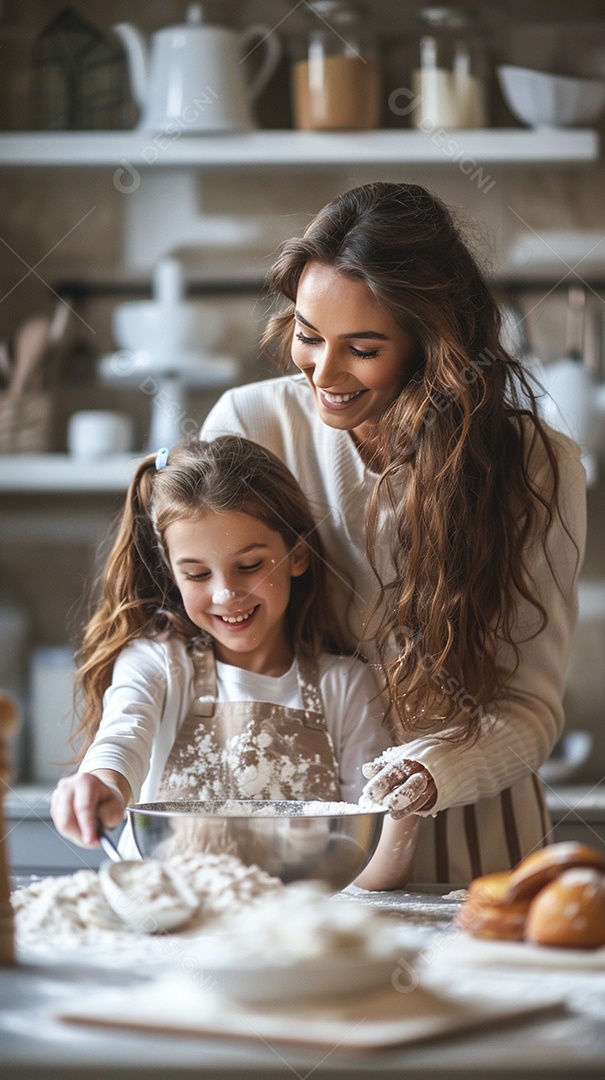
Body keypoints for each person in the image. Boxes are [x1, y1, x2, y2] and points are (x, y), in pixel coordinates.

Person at [201, 181, 587, 886]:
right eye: (307, 336)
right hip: (297, 835)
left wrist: (422, 774)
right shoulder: (250, 428)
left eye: (363, 348)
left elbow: (529, 709)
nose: (324, 371)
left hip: (479, 850)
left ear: (431, 343)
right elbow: (206, 645)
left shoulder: (535, 464)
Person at [50, 435, 390, 857]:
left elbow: (373, 857)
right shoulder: (159, 665)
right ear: (171, 572)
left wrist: (404, 808)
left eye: (249, 566)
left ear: (298, 555)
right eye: (196, 574)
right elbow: (124, 736)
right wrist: (100, 782)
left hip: (295, 919)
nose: (226, 594)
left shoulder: (346, 687)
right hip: (170, 913)